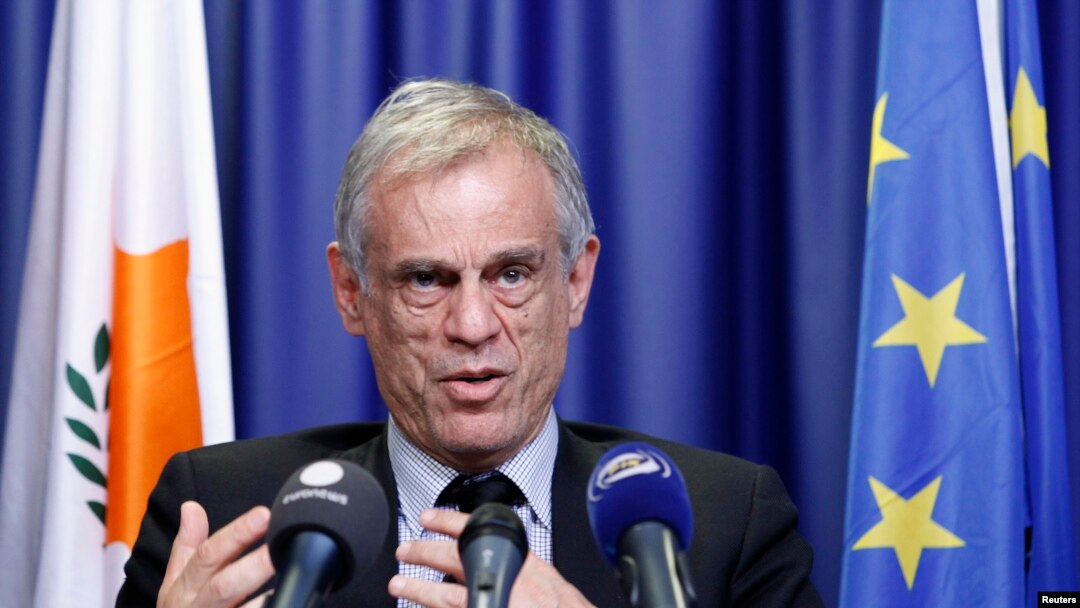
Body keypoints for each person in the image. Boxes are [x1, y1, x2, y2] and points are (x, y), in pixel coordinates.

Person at [117, 78, 823, 607]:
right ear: (352, 292)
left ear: (576, 282)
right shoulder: (222, 514)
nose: (474, 325)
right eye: (427, 279)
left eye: (512, 274)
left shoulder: (723, 522)